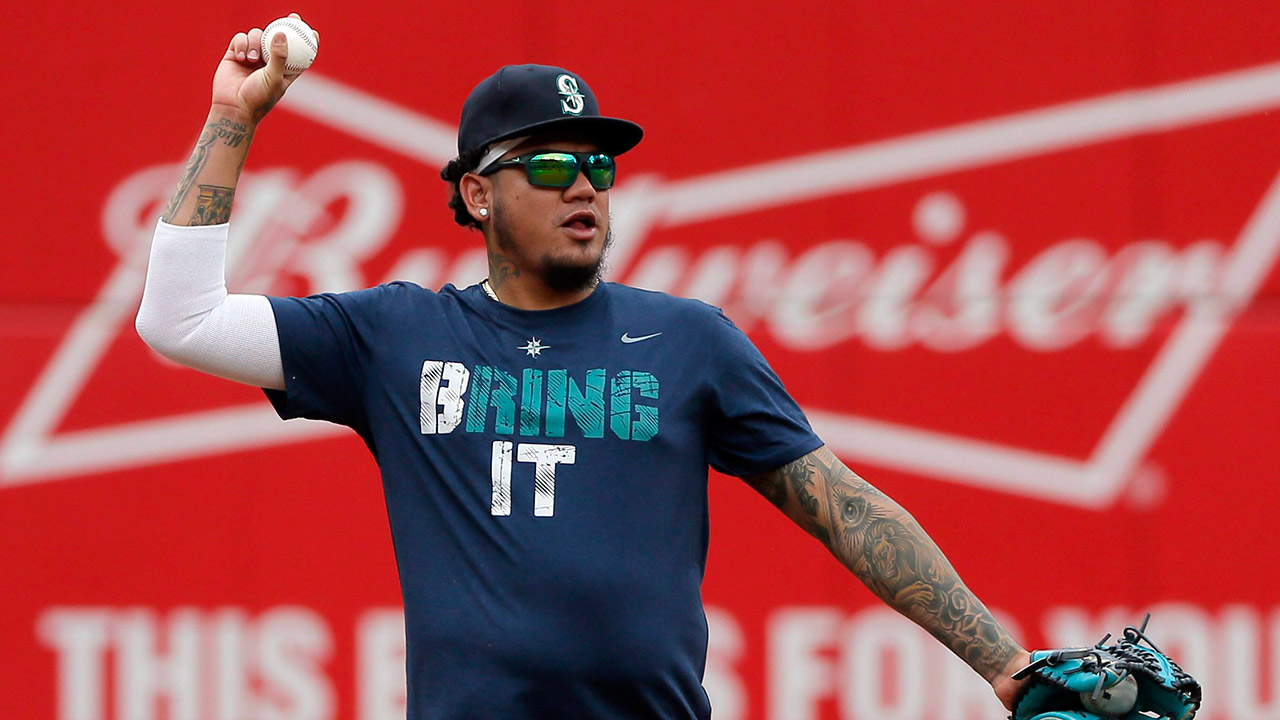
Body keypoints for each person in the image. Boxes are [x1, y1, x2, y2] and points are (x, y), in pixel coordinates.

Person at [136, 15, 1032, 719]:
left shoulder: (691, 340)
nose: (585, 187)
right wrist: (231, 118)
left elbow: (844, 509)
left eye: (599, 165)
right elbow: (182, 320)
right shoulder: (397, 335)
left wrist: (1002, 662)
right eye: (553, 162)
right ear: (478, 194)